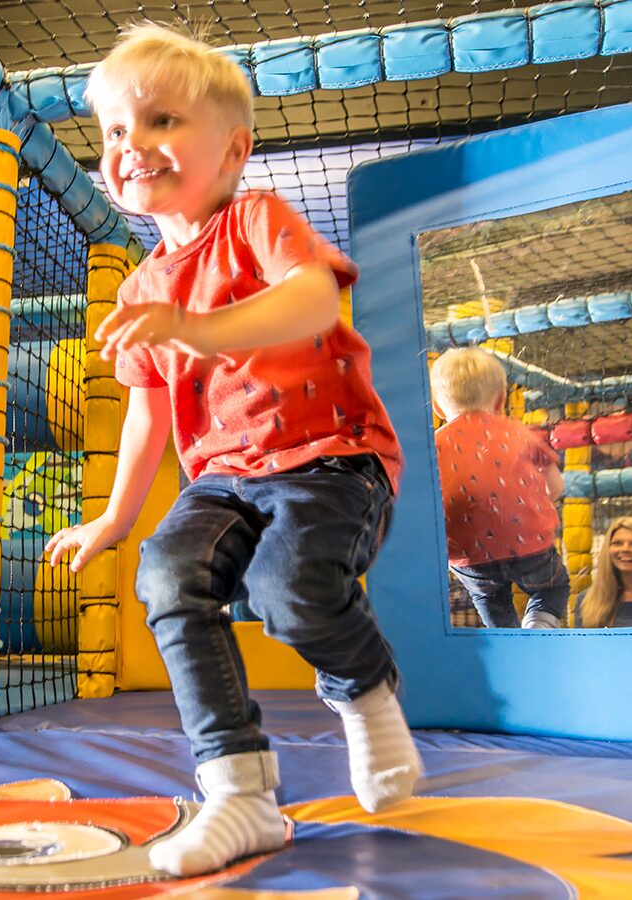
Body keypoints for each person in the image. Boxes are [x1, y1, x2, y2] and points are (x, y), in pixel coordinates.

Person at [44, 22, 421, 878]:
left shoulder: (255, 220)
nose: (131, 145)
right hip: (224, 478)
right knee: (166, 575)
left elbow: (315, 302)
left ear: (232, 150)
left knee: (290, 590)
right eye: (113, 131)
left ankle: (365, 693)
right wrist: (115, 514)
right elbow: (146, 407)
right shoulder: (141, 286)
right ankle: (240, 794)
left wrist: (198, 327)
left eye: (162, 122)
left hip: (331, 457)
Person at [430, 347, 569, 629]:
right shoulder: (518, 432)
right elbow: (555, 486)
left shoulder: (433, 444)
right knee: (551, 588)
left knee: (491, 601)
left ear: (437, 406)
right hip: (529, 543)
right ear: (501, 400)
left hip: (468, 555)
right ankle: (538, 626)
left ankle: (505, 638)